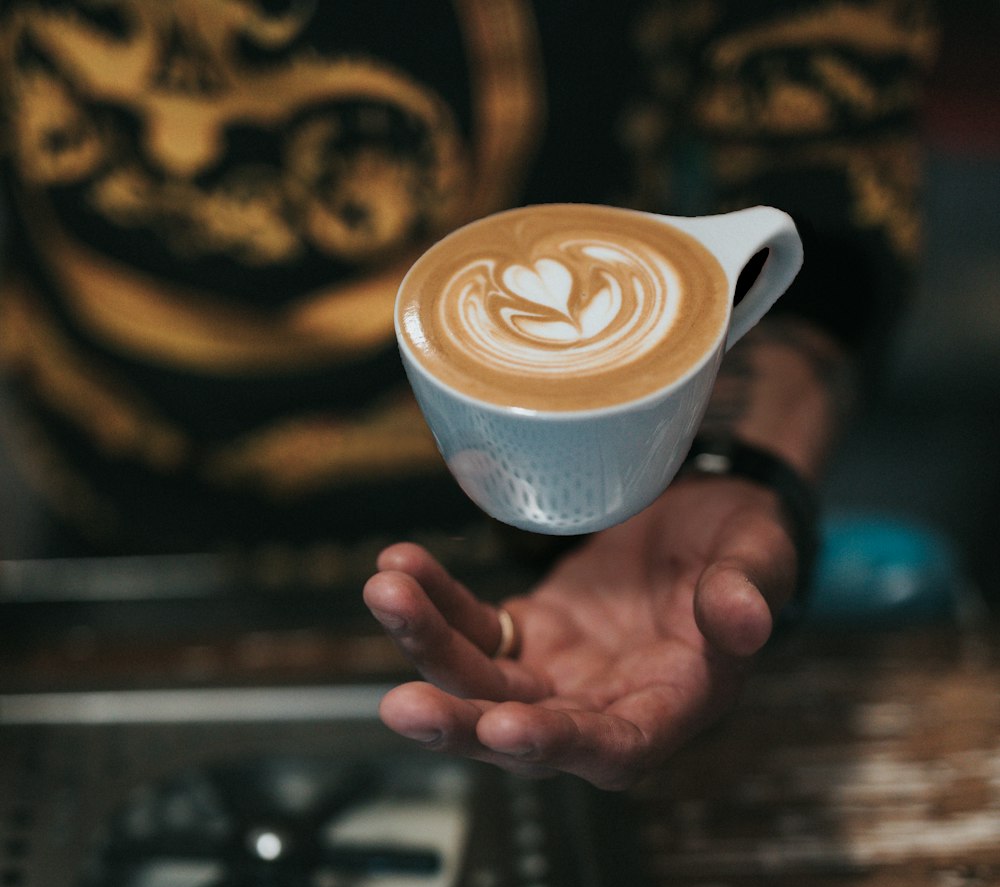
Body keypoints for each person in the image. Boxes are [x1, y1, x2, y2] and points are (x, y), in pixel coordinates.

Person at [0, 0, 937, 786]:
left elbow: (824, 136)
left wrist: (732, 462)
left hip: (585, 551)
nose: (186, 143)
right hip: (102, 548)